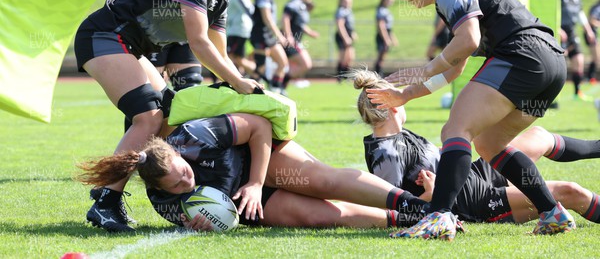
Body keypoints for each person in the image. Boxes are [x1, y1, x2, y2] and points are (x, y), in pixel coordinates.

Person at [366, 0, 574, 239]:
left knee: (454, 130)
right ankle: (552, 213)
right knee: (489, 145)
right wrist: (406, 94)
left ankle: (439, 216)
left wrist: (423, 70)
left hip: (525, 56)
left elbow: (469, 41)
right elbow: (454, 68)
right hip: (551, 65)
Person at [74, 0, 264, 232]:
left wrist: (241, 84)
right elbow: (199, 42)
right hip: (104, 35)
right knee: (148, 117)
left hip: (130, 46)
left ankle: (118, 191)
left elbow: (221, 55)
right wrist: (238, 82)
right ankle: (106, 202)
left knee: (169, 113)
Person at [77, 113, 434, 231]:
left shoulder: (196, 136)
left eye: (184, 170)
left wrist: (255, 182)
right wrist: (206, 224)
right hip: (242, 197)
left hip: (259, 156)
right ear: (159, 188)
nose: (187, 179)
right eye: (179, 183)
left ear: (176, 152)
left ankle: (418, 205)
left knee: (323, 181)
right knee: (316, 216)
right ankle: (405, 221)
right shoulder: (164, 203)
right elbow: (222, 219)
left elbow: (260, 126)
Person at [352, 68, 600, 238]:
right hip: (477, 201)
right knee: (570, 192)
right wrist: (430, 195)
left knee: (539, 136)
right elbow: (394, 209)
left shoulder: (399, 134)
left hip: (472, 173)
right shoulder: (385, 154)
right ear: (392, 108)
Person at [249, 0, 289, 93]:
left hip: (268, 36)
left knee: (282, 62)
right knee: (260, 68)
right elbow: (267, 18)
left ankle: (275, 90)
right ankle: (248, 93)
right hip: (261, 35)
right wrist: (279, 35)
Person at [560, 0, 596, 100]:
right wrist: (558, 29)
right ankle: (553, 94)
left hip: (572, 32)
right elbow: (553, 13)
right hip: (560, 32)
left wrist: (589, 31)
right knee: (560, 63)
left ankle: (577, 92)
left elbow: (581, 15)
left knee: (579, 60)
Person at [282, 0, 320, 90]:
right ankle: (279, 82)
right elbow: (285, 17)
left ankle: (280, 84)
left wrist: (310, 32)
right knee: (305, 64)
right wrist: (288, 35)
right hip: (290, 40)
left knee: (303, 64)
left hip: (295, 40)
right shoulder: (295, 3)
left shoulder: (302, 5)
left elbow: (300, 24)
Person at [226, 0, 256, 76]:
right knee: (235, 58)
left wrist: (254, 20)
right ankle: (240, 78)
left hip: (238, 31)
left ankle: (258, 72)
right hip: (236, 30)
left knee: (232, 57)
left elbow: (249, 9)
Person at [373, 0, 398, 76]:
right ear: (384, 0)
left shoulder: (386, 10)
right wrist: (386, 38)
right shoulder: (381, 11)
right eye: (389, 0)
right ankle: (378, 74)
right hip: (382, 36)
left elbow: (389, 28)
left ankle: (379, 74)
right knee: (381, 56)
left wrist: (392, 38)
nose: (391, 2)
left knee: (383, 57)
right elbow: (381, 26)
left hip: (387, 34)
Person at [334, 0, 357, 82]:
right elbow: (340, 25)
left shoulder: (349, 11)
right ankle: (339, 77)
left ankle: (346, 76)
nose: (348, 3)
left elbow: (350, 25)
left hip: (349, 34)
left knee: (350, 57)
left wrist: (353, 33)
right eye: (346, 1)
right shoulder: (341, 11)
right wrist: (345, 37)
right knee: (343, 57)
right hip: (342, 36)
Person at [585, 0, 600, 84]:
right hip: (591, 33)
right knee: (596, 57)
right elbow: (591, 20)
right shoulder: (597, 8)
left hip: (595, 34)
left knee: (596, 58)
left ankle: (590, 77)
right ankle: (590, 77)